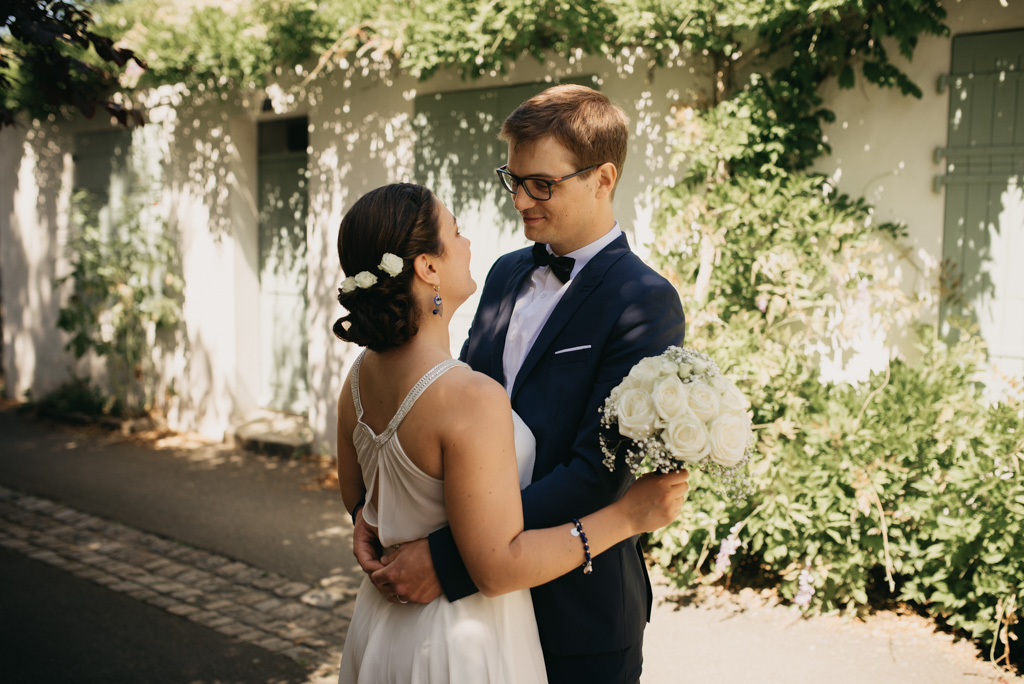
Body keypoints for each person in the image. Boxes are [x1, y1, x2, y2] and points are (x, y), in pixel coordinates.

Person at [353, 86, 688, 683]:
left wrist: (448, 556)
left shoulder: (645, 302)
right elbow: (448, 413)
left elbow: (597, 471)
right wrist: (381, 507)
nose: (520, 201)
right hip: (476, 621)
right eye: (513, 179)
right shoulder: (506, 272)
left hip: (575, 613)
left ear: (602, 178)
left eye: (541, 184)